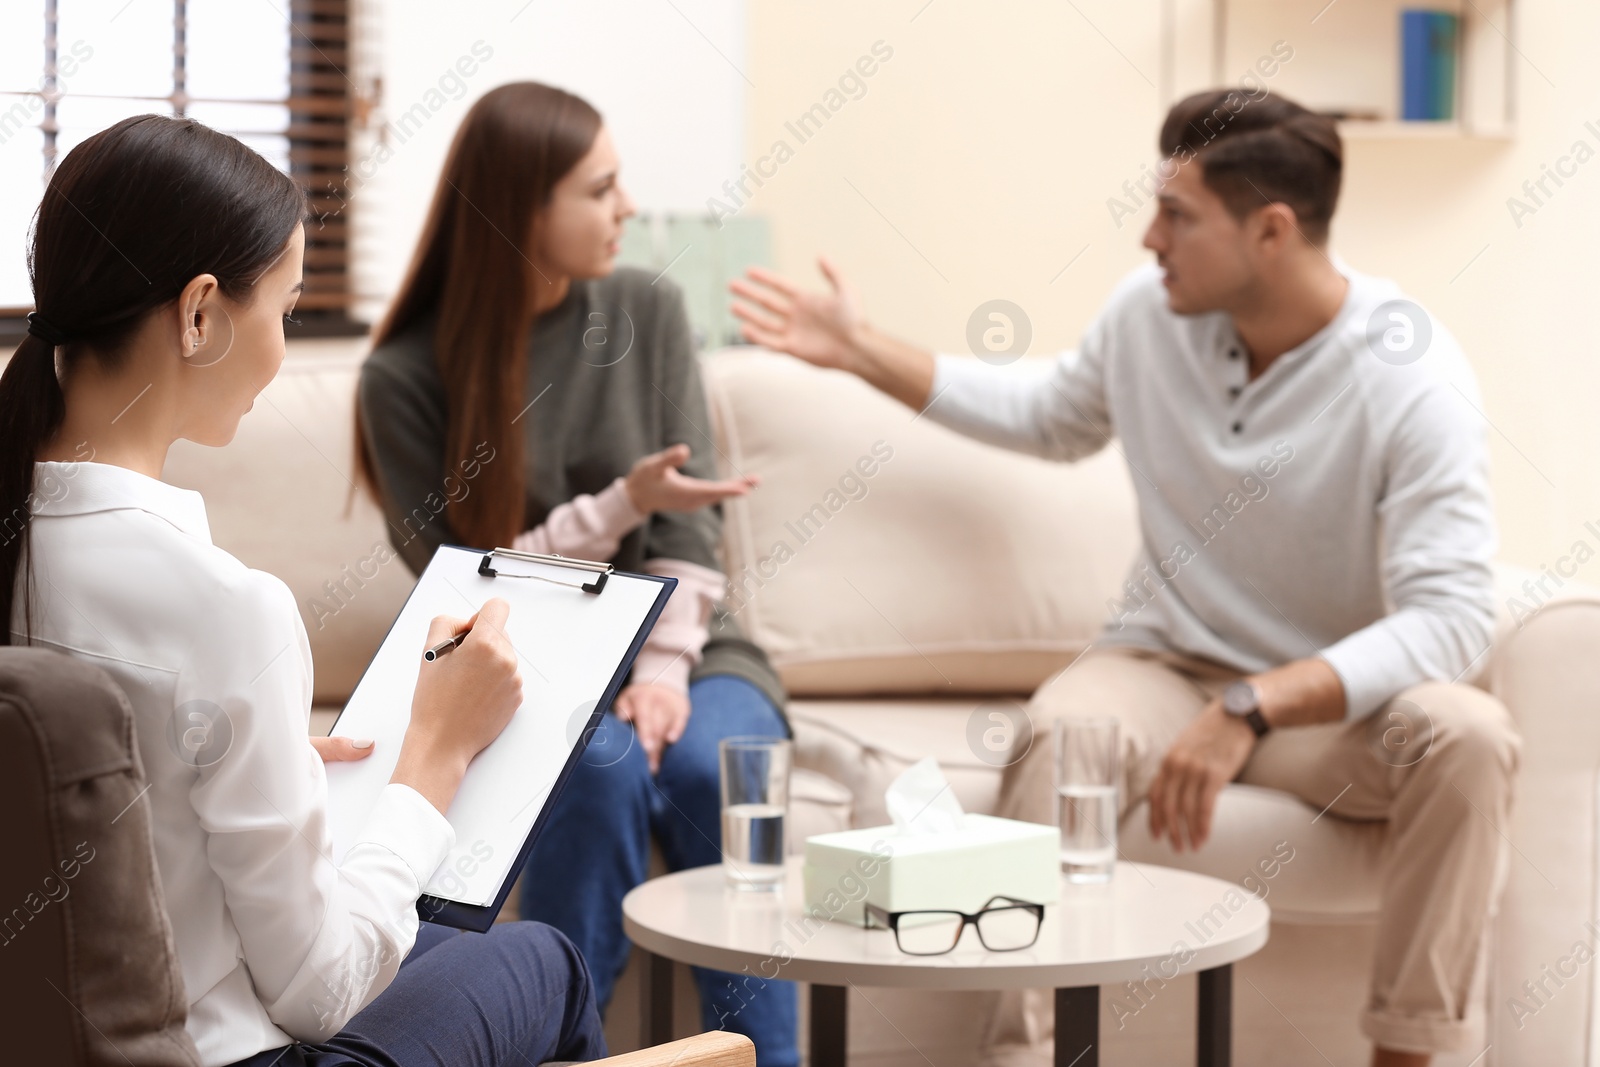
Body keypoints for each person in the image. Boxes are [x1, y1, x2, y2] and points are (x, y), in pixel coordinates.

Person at [729, 89, 1518, 1067]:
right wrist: (858, 349)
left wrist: (1252, 705)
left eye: (1178, 215)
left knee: (1470, 737)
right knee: (1064, 731)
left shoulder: (1411, 375)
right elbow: (1047, 413)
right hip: (1163, 659)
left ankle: (1413, 1053)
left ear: (1270, 230)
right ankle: (1026, 1055)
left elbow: (1449, 620)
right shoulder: (1150, 315)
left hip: (1330, 700)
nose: (1150, 236)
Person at [0, 114, 606, 1067]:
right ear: (200, 314)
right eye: (283, 308)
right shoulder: (226, 607)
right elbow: (320, 990)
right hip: (234, 1055)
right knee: (544, 957)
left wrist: (231, 758)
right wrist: (435, 756)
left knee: (453, 948)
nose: (282, 349)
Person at [355, 82, 798, 1065]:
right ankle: (564, 1047)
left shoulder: (645, 307)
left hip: (691, 646)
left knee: (710, 770)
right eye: (600, 189)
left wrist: (663, 671)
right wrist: (618, 507)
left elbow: (694, 529)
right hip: (526, 673)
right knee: (595, 770)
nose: (628, 208)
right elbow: (474, 593)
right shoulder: (403, 381)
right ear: (523, 210)